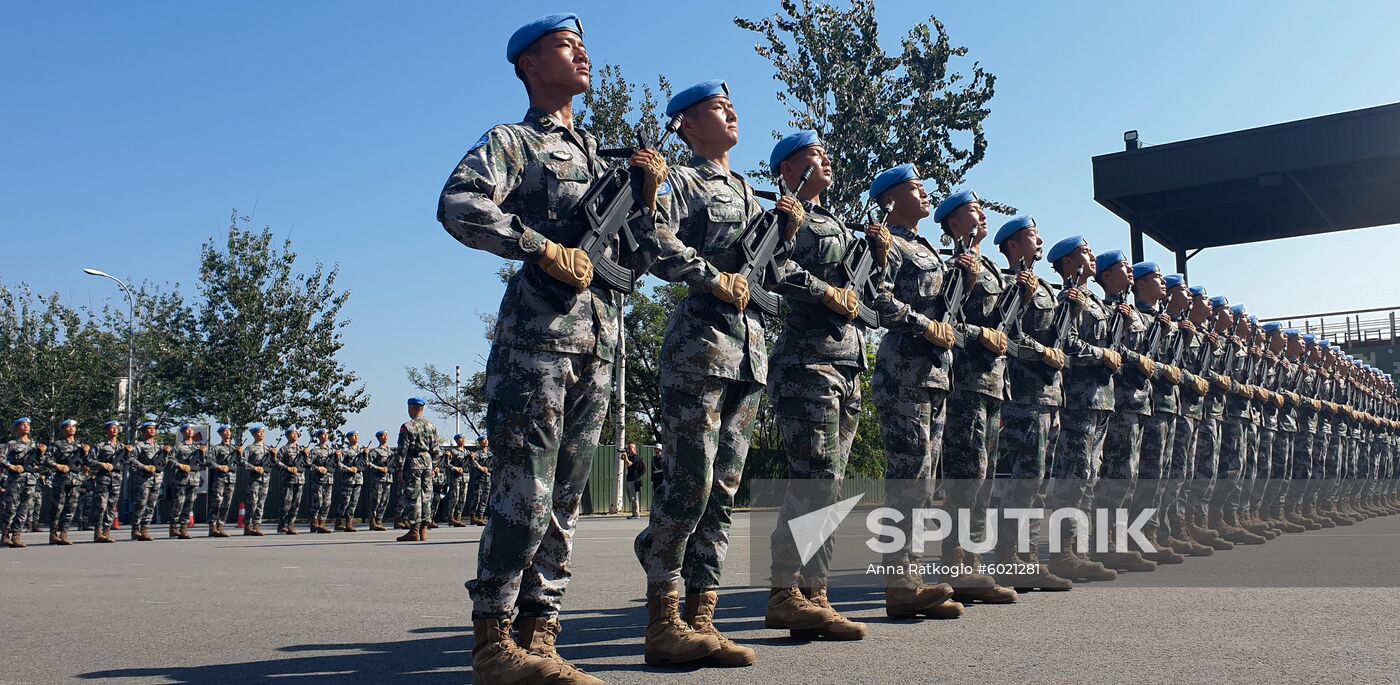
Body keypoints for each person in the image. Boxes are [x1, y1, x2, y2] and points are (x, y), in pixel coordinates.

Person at [438, 13, 668, 684]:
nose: (583, 55)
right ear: (530, 66)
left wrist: (646, 198)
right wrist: (539, 245)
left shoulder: (603, 159)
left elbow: (638, 259)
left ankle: (541, 635)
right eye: (567, 47)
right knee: (525, 491)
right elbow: (458, 203)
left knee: (567, 495)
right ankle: (493, 641)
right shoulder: (514, 141)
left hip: (598, 342)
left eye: (583, 45)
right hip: (536, 341)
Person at [765, 130, 886, 640]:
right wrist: (826, 291)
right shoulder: (784, 216)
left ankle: (814, 594)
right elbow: (770, 268)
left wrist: (876, 262)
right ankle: (785, 592)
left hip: (847, 365)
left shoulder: (839, 224)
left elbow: (872, 307)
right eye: (815, 156)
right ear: (790, 169)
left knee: (831, 486)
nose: (827, 160)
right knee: (817, 481)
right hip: (807, 365)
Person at [864, 165, 976, 614]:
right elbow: (878, 298)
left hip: (935, 373)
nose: (926, 192)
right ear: (892, 197)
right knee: (908, 478)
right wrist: (925, 325)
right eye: (915, 187)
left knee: (926, 482)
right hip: (904, 373)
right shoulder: (885, 241)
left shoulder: (925, 246)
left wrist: (963, 285)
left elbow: (947, 311)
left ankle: (912, 574)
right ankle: (900, 580)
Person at [985, 214, 1074, 591]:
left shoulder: (1048, 289)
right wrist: (1042, 351)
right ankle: (1009, 557)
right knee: (1024, 480)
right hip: (1023, 395)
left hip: (1049, 395)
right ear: (1013, 246)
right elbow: (1007, 333)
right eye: (1032, 236)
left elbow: (1063, 339)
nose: (1040, 241)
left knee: (1037, 482)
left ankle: (1027, 556)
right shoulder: (1007, 285)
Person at [1042, 236, 1120, 582]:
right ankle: (1064, 552)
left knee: (1089, 475)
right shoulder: (1069, 300)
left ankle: (1079, 550)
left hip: (1100, 398)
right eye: (1086, 254)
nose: (1093, 258)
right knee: (1074, 477)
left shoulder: (1095, 302)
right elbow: (1066, 344)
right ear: (1071, 264)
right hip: (1078, 398)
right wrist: (1102, 355)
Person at [396, 397, 440, 543]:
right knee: (427, 495)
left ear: (412, 408)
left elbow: (402, 450)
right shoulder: (431, 426)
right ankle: (424, 530)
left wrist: (399, 469)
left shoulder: (407, 426)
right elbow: (436, 449)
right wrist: (434, 465)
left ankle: (414, 530)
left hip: (413, 463)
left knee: (414, 496)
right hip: (428, 463)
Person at [1, 418, 43, 548]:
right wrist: (10, 466)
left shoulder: (35, 446)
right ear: (16, 429)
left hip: (30, 480)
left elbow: (41, 463)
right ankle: (5, 534)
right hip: (15, 480)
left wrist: (41, 453)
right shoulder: (11, 444)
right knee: (10, 508)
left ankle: (17, 535)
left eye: (28, 424)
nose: (26, 426)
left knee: (25, 509)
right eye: (22, 425)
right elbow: (1, 458)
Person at [44, 419, 86, 546]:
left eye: (73, 426)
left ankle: (64, 532)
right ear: (62, 430)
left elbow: (87, 462)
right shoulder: (57, 444)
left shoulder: (81, 445)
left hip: (76, 479)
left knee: (71, 507)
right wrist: (58, 466)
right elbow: (46, 458)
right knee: (58, 506)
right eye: (68, 427)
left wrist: (87, 453)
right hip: (61, 480)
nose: (71, 429)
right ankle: (53, 533)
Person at [126, 421, 170, 542]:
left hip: (156, 479)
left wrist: (166, 454)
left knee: (151, 505)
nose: (152, 430)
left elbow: (164, 463)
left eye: (153, 428)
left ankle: (145, 529)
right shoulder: (139, 445)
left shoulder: (160, 447)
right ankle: (135, 529)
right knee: (141, 504)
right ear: (143, 431)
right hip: (143, 479)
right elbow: (130, 459)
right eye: (149, 428)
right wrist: (143, 467)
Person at [88, 420, 127, 543]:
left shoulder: (123, 447)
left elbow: (128, 461)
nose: (115, 430)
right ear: (107, 430)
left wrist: (129, 453)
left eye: (116, 427)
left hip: (116, 479)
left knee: (111, 506)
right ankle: (98, 532)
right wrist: (102, 464)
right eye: (112, 428)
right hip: (104, 479)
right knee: (101, 506)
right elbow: (89, 460)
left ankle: (107, 531)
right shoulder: (100, 446)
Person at [206, 425, 241, 538]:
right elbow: (208, 461)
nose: (228, 432)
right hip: (220, 478)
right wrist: (219, 466)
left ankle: (221, 526)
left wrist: (240, 453)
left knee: (227, 503)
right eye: (225, 431)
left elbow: (241, 463)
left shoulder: (235, 449)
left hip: (231, 478)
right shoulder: (216, 448)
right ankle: (212, 526)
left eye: (229, 430)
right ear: (220, 434)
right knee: (217, 502)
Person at [242, 425, 276, 536]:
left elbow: (274, 463)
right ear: (253, 434)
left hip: (265, 478)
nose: (261, 434)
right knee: (252, 502)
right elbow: (242, 461)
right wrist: (254, 468)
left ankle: (256, 526)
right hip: (254, 478)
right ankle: (247, 525)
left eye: (262, 432)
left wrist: (274, 456)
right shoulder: (250, 448)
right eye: (258, 432)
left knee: (261, 503)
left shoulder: (268, 448)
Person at [305, 429, 338, 534]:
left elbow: (337, 464)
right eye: (323, 434)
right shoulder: (315, 450)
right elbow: (308, 463)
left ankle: (322, 523)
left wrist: (338, 455)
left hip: (329, 479)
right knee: (317, 502)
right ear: (319, 436)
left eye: (327, 434)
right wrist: (318, 468)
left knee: (327, 503)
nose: (325, 436)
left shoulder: (332, 450)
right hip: (318, 480)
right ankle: (314, 523)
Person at [277, 428, 307, 535]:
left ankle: (291, 523)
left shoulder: (302, 449)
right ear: (287, 436)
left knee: (296, 503)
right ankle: (282, 524)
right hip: (288, 479)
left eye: (296, 434)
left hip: (300, 479)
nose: (294, 435)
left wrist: (306, 455)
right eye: (292, 434)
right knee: (286, 503)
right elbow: (277, 461)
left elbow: (308, 464)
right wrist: (287, 468)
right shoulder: (284, 449)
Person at [337, 430, 367, 532]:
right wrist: (349, 469)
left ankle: (349, 522)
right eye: (354, 436)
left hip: (359, 480)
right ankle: (339, 520)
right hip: (348, 480)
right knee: (345, 501)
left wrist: (366, 455)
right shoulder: (346, 451)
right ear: (349, 438)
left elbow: (366, 464)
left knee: (354, 502)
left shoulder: (362, 451)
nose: (356, 437)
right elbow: (338, 464)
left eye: (357, 435)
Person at [365, 430, 395, 531]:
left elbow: (395, 466)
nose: (385, 436)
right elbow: (367, 463)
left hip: (388, 479)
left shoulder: (391, 452)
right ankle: (372, 521)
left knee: (384, 501)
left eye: (386, 435)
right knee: (375, 500)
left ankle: (379, 520)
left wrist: (389, 469)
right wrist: (379, 468)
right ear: (378, 438)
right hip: (378, 479)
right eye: (383, 435)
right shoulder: (375, 451)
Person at [467, 436, 492, 526]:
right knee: (476, 497)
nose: (486, 441)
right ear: (480, 442)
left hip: (488, 477)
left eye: (486, 440)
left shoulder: (490, 452)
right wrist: (480, 468)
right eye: (483, 440)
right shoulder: (478, 452)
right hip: (479, 478)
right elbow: (473, 461)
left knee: (485, 498)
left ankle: (480, 516)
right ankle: (473, 517)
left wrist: (489, 469)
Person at [623, 443, 643, 519]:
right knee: (631, 497)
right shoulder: (629, 457)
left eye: (630, 448)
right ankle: (633, 513)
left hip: (634, 479)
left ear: (634, 449)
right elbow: (624, 461)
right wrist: (624, 455)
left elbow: (629, 464)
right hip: (629, 479)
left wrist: (626, 458)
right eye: (628, 448)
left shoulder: (636, 457)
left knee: (634, 497)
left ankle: (636, 514)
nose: (628, 449)